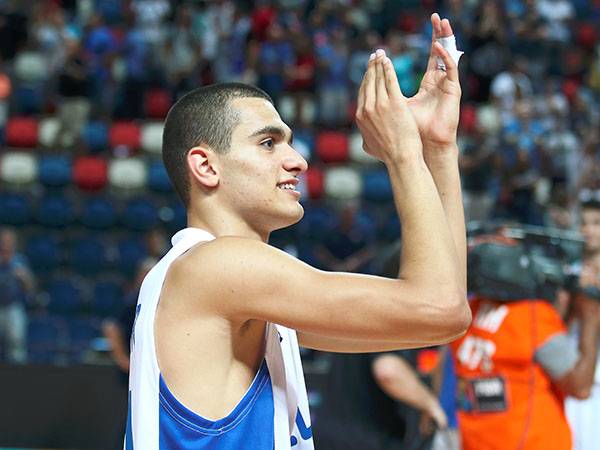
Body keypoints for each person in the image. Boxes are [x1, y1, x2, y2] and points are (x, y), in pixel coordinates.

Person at [126, 13, 470, 449]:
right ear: (206, 166)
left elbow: (445, 318)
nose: (298, 161)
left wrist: (437, 146)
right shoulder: (219, 265)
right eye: (268, 143)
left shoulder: (241, 296)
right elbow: (440, 307)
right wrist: (403, 151)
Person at [451, 236, 600, 450]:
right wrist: (591, 314)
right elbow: (581, 386)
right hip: (532, 443)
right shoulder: (531, 315)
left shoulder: (465, 311)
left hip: (478, 442)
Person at [565, 198, 600, 450]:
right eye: (584, 223)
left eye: (596, 223)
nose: (589, 230)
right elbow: (559, 327)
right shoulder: (569, 272)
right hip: (575, 375)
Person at [0, 228, 35, 364]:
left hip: (14, 307)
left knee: (17, 344)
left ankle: (18, 370)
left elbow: (30, 288)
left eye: (9, 241)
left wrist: (24, 277)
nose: (6, 244)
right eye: (3, 241)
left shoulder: (20, 260)